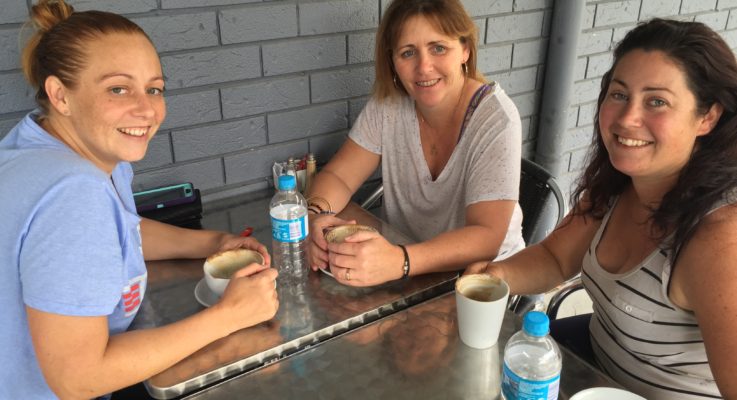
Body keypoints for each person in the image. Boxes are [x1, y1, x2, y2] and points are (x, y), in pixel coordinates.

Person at [0, 1, 279, 398]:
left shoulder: (44, 144)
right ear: (60, 95)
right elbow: (78, 377)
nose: (147, 109)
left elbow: (118, 231)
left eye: (154, 89)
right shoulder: (73, 192)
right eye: (118, 89)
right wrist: (230, 316)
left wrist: (214, 242)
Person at [467, 18, 737, 400]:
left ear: (708, 116)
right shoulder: (617, 185)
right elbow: (555, 259)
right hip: (594, 371)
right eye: (619, 94)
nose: (627, 118)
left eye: (657, 101)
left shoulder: (720, 239)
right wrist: (495, 275)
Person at [307, 0, 525, 287]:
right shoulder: (388, 106)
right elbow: (339, 176)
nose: (424, 67)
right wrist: (315, 217)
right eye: (408, 52)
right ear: (392, 62)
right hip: (409, 270)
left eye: (438, 48)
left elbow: (486, 237)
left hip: (486, 283)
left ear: (465, 50)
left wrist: (399, 261)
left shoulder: (497, 119)